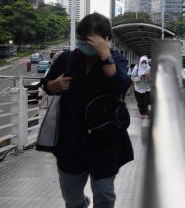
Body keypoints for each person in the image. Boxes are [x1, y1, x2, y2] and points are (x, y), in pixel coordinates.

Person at [41, 13, 133, 208]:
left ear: (106, 39)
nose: (86, 44)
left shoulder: (116, 59)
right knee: (71, 196)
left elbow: (122, 85)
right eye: (83, 39)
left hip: (105, 141)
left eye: (92, 40)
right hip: (71, 141)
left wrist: (106, 56)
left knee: (105, 195)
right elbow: (46, 84)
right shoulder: (67, 59)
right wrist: (54, 84)